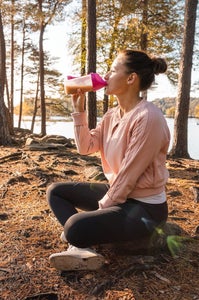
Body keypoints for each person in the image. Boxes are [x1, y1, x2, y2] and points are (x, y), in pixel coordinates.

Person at [47, 49, 170, 271]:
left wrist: (99, 211)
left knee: (73, 226)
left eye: (113, 70)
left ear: (131, 78)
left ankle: (79, 240)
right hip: (119, 195)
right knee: (55, 191)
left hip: (144, 207)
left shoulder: (149, 118)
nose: (106, 75)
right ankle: (81, 243)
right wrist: (79, 112)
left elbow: (128, 177)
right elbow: (86, 147)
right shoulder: (112, 115)